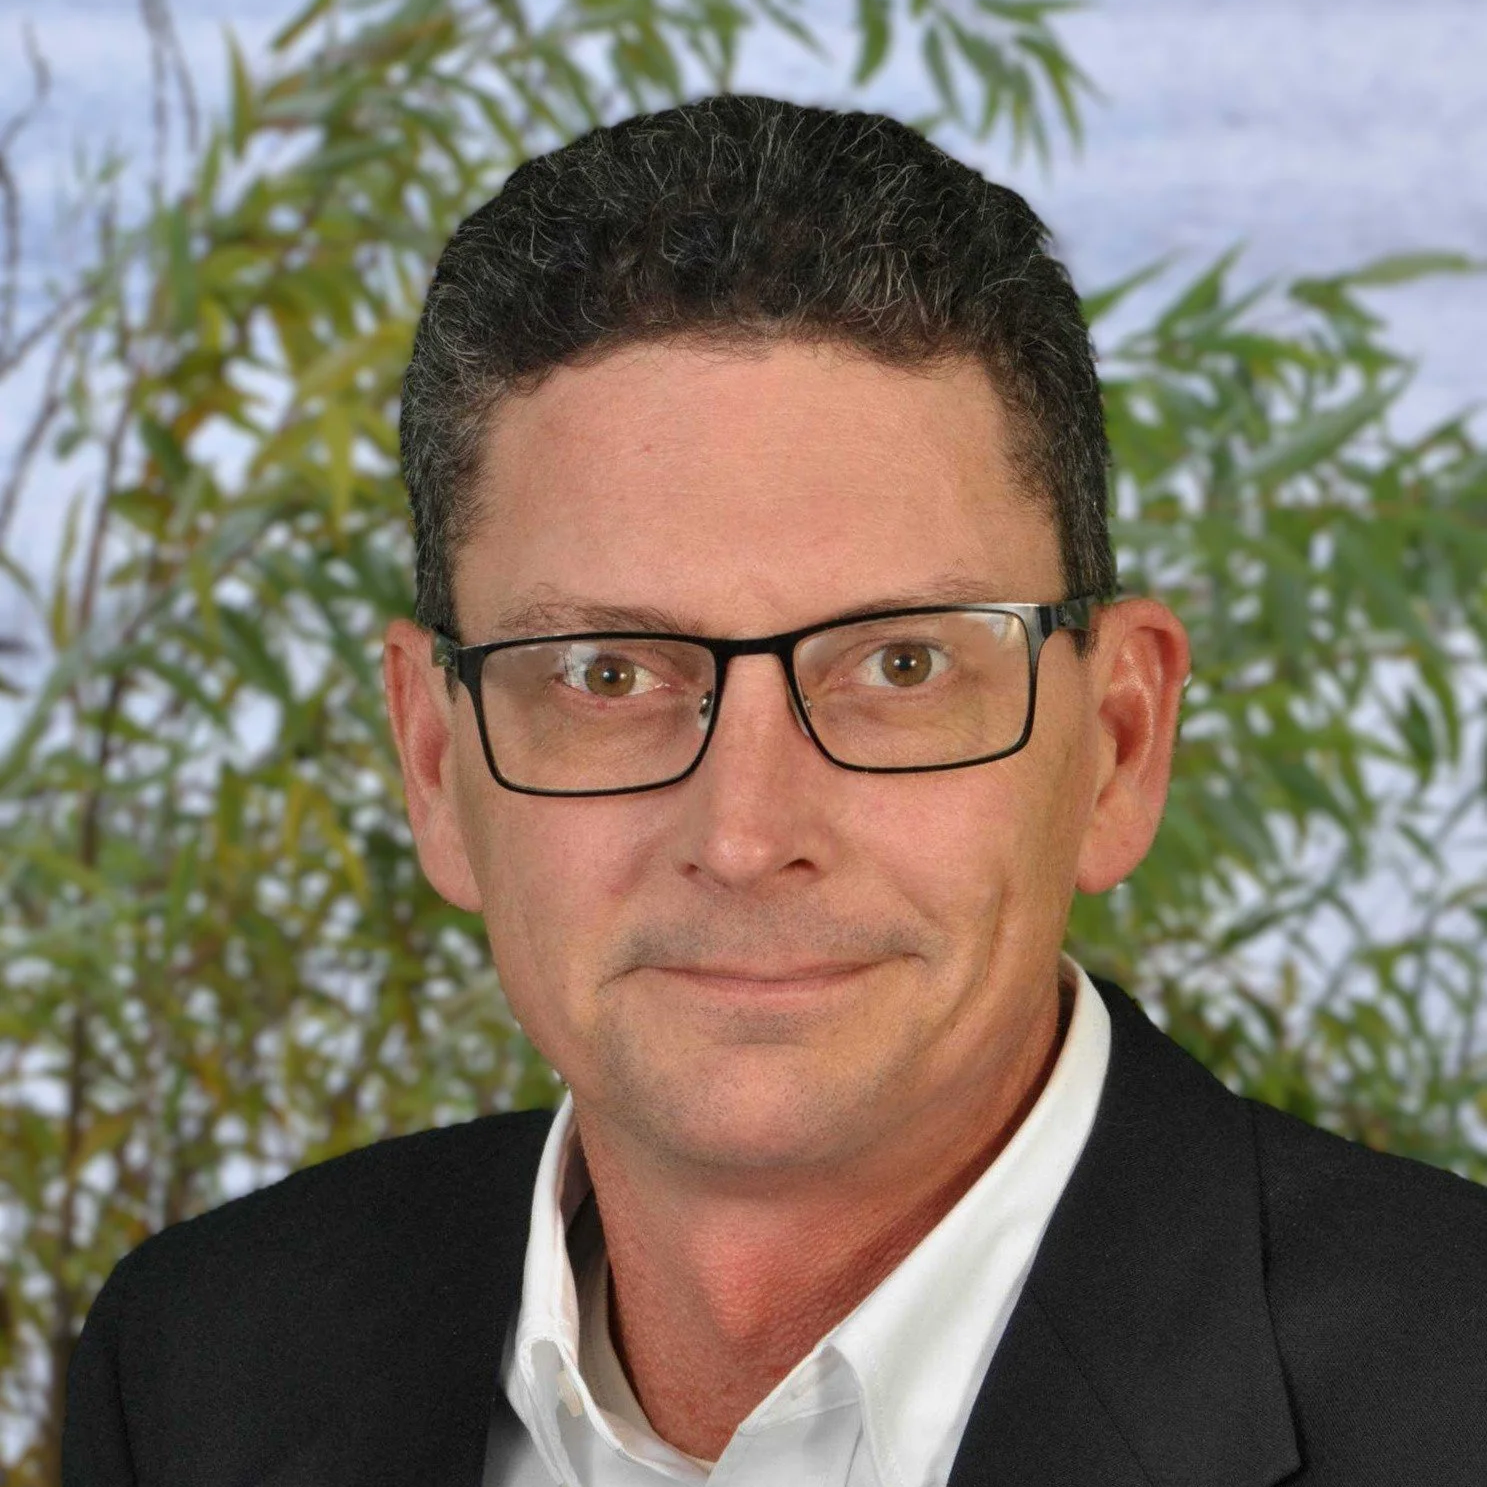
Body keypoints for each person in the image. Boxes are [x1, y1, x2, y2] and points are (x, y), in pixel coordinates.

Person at [64, 93, 1487, 1487]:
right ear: (435, 766)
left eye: (904, 661)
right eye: (605, 674)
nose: (744, 837)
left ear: (1117, 744)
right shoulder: (200, 1361)